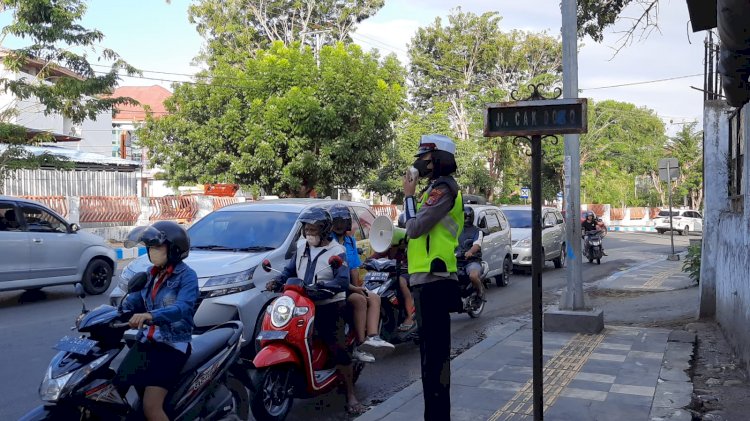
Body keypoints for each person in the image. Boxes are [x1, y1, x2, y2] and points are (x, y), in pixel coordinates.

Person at [264, 208, 366, 416]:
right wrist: (278, 280)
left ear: (325, 229)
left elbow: (342, 280)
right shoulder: (301, 247)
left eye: (313, 229)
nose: (309, 233)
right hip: (302, 302)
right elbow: (289, 271)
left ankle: (350, 394)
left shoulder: (336, 251)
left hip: (328, 304)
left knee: (336, 346)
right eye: (307, 229)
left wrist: (323, 287)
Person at [402, 133, 463, 421]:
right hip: (425, 280)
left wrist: (408, 197)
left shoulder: (443, 189)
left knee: (435, 362)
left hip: (435, 281)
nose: (420, 163)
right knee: (430, 359)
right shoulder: (434, 190)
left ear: (438, 159)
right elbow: (410, 228)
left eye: (425, 158)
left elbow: (415, 228)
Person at [116, 221, 199, 421]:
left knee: (151, 408)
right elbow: (133, 301)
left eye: (157, 247)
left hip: (172, 346)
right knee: (114, 390)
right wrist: (109, 313)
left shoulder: (187, 277)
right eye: (150, 247)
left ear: (174, 249)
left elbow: (183, 308)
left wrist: (151, 316)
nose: (152, 252)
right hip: (147, 342)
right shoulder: (150, 275)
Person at [329, 204, 393, 363]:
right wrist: (356, 290)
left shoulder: (350, 241)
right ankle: (360, 343)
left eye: (342, 222)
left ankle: (372, 337)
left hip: (350, 286)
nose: (339, 226)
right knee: (360, 300)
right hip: (337, 288)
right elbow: (340, 276)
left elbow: (354, 269)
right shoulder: (330, 242)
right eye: (336, 222)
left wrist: (359, 287)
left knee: (375, 297)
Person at [457, 206, 485, 299]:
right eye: (464, 217)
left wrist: (470, 252)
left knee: (473, 276)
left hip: (472, 261)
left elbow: (477, 244)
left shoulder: (477, 231)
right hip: (456, 261)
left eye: (467, 217)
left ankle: (479, 291)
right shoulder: (456, 230)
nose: (465, 219)